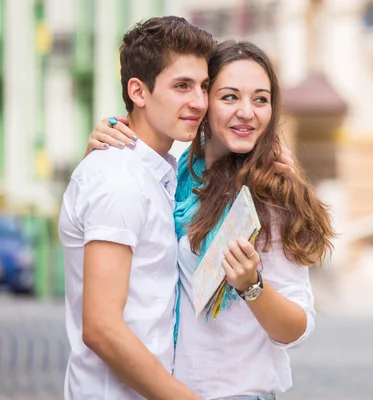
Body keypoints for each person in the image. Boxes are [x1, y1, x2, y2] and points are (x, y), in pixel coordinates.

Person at [87, 40, 334, 400]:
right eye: (230, 96)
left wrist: (252, 285)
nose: (247, 112)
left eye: (261, 99)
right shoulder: (172, 176)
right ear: (204, 102)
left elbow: (297, 329)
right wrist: (101, 144)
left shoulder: (271, 197)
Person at [58, 16, 214, 400]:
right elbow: (101, 328)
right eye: (182, 86)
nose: (199, 102)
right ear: (138, 92)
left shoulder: (156, 175)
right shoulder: (119, 180)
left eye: (204, 87)